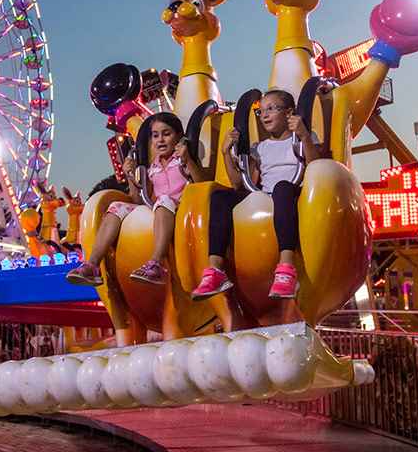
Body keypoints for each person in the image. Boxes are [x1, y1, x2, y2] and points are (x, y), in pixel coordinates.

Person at [192, 89, 320, 300]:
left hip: (293, 193)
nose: (265, 115)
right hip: (266, 195)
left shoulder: (301, 139)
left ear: (289, 113)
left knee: (282, 187)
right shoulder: (260, 148)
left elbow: (316, 167)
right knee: (220, 197)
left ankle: (287, 268)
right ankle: (216, 271)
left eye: (272, 109)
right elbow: (238, 183)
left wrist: (304, 135)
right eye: (261, 112)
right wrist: (226, 153)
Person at [66, 113, 199, 287]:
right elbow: (138, 200)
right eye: (155, 135)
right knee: (116, 206)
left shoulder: (183, 160)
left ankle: (157, 263)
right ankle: (92, 265)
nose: (160, 140)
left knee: (164, 200)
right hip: (159, 209)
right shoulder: (152, 168)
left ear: (179, 137)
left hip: (183, 208)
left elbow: (202, 183)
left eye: (166, 134)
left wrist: (188, 160)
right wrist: (130, 175)